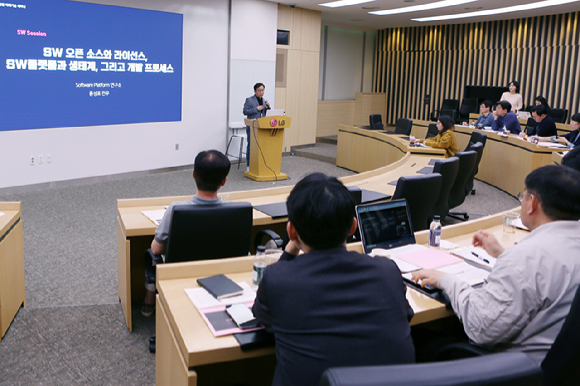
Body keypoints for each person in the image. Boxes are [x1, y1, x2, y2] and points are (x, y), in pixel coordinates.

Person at [252, 173, 415, 386]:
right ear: (353, 227)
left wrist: (289, 252)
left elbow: (263, 318)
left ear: (291, 231)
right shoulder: (387, 271)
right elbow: (407, 315)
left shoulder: (278, 279)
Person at [412, 165, 580, 365]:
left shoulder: (527, 257)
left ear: (531, 203)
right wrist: (503, 254)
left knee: (413, 338)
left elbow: (481, 328)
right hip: (560, 367)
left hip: (515, 369)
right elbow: (545, 274)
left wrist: (446, 280)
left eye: (523, 196)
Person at [141, 150, 231, 317]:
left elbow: (156, 250)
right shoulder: (234, 211)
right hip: (223, 276)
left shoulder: (176, 210)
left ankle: (149, 300)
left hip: (180, 275)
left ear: (193, 174)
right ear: (224, 181)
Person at [243, 83, 270, 172]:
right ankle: (249, 165)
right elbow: (245, 111)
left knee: (261, 146)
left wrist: (267, 107)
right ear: (255, 91)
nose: (261, 92)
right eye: (259, 90)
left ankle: (259, 165)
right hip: (252, 127)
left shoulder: (263, 100)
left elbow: (264, 113)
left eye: (262, 90)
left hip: (261, 127)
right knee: (251, 146)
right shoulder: (249, 100)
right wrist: (256, 109)